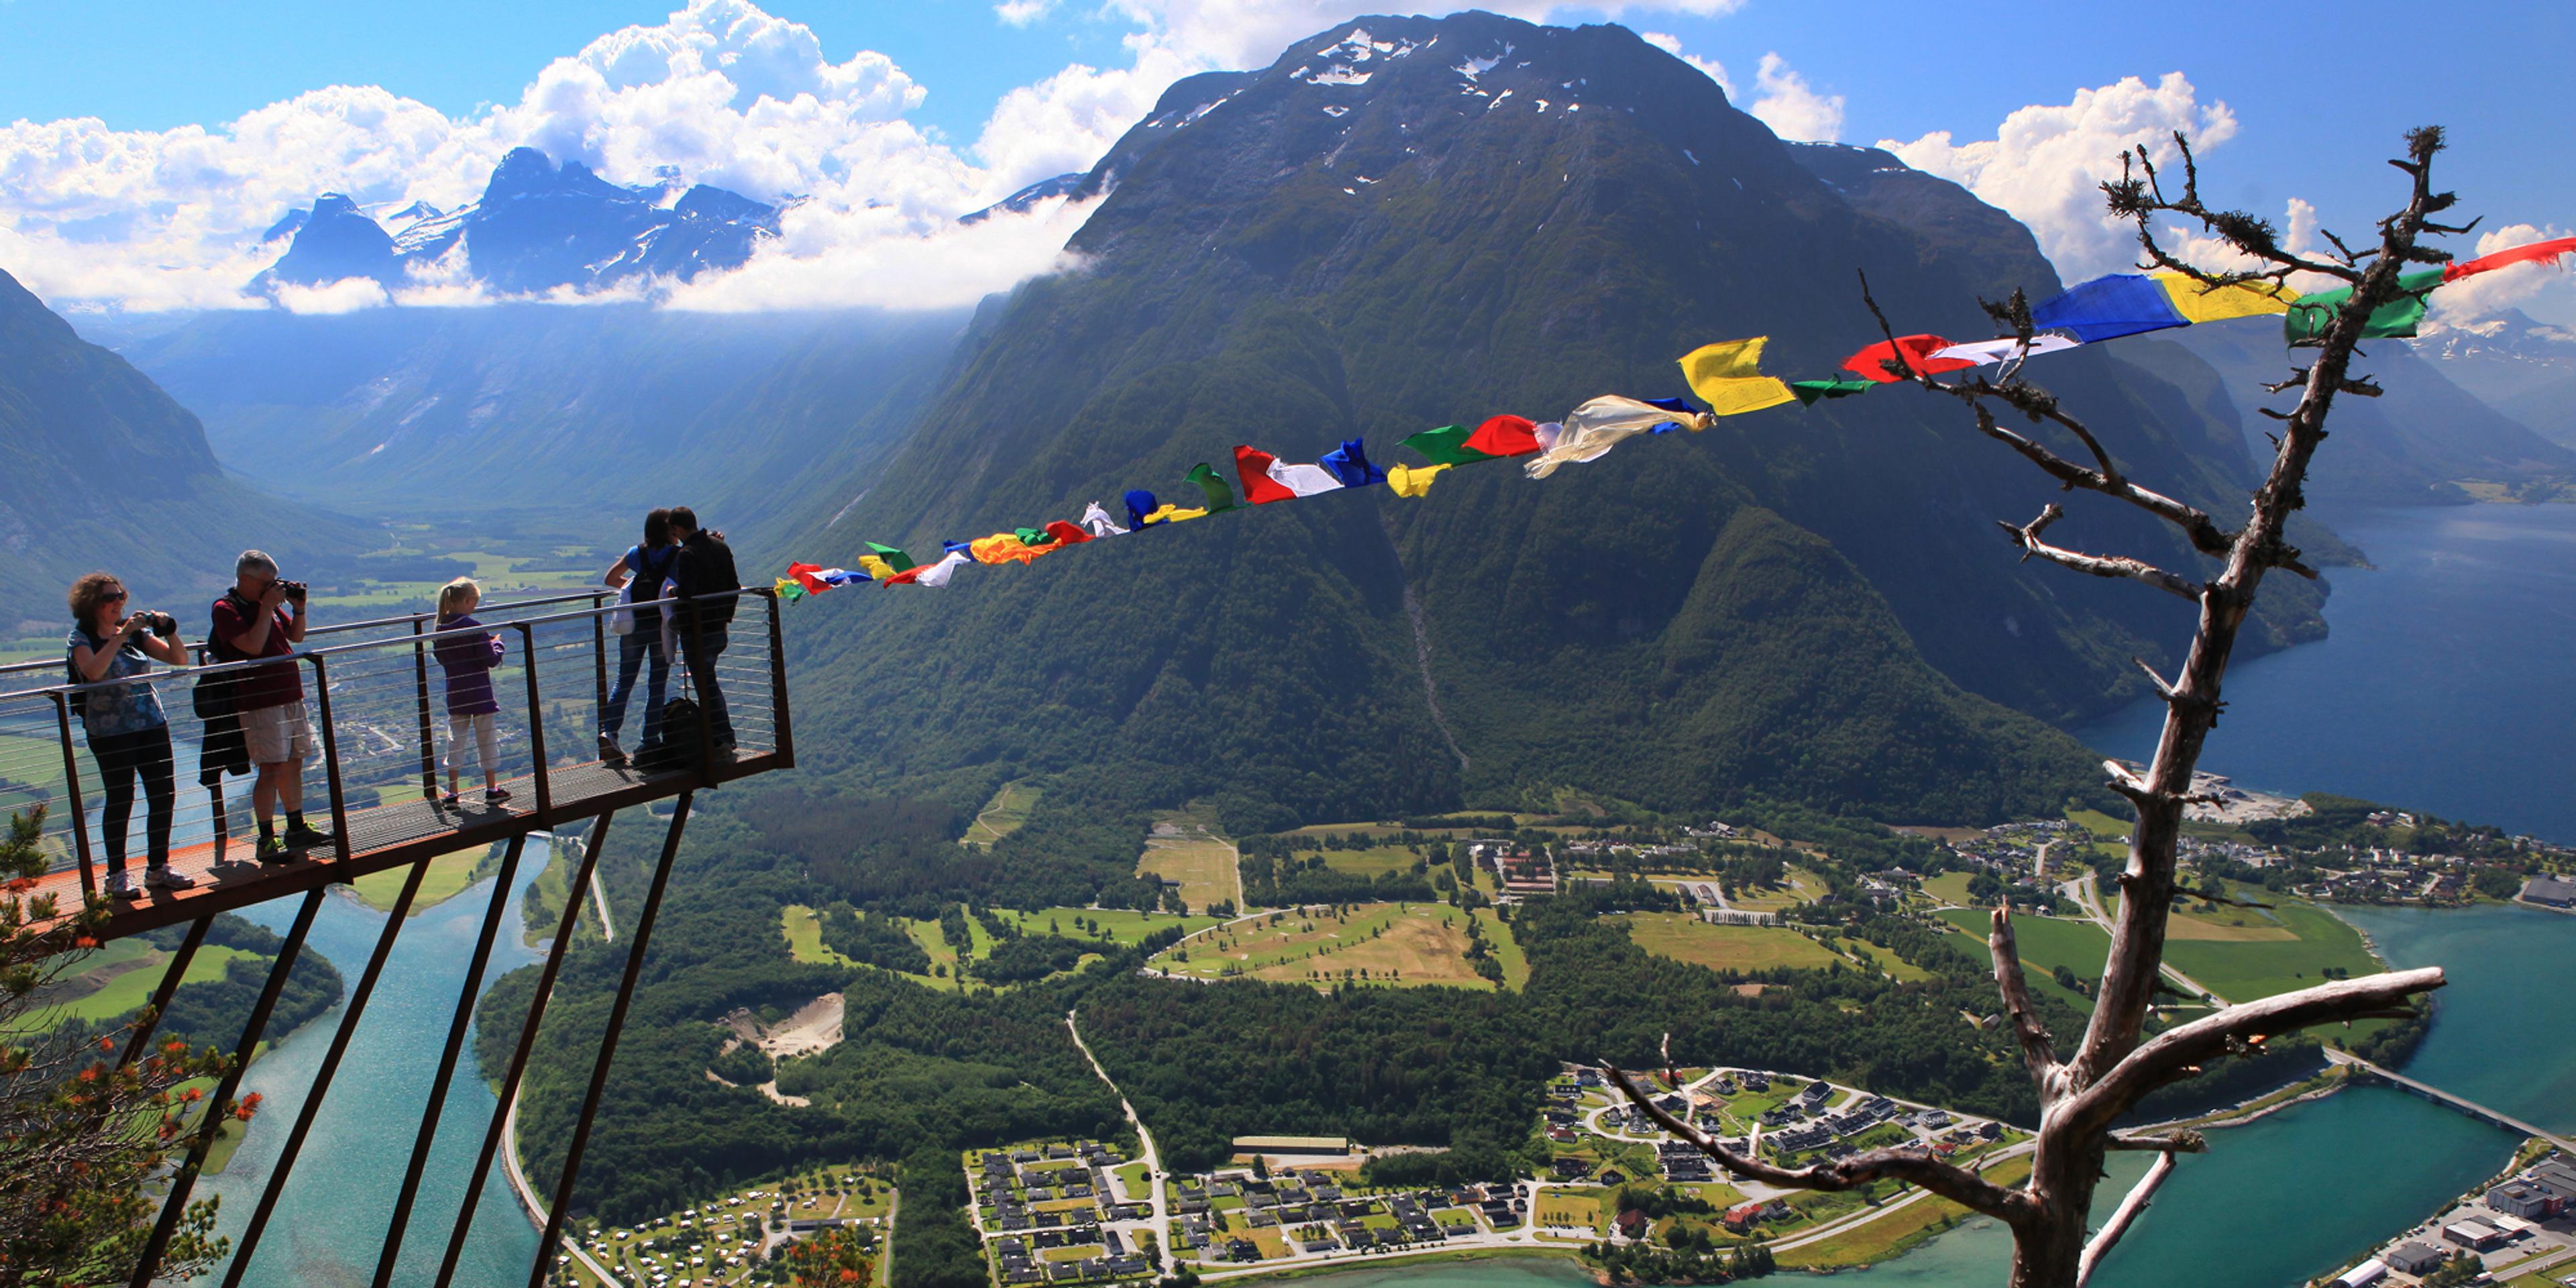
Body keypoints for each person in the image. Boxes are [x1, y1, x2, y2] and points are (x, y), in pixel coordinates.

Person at [66, 574, 195, 898]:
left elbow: (179, 658)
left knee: (163, 794)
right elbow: (93, 672)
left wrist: (169, 630)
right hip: (110, 732)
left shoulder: (135, 633)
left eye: (120, 596)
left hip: (151, 723)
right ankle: (116, 875)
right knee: (121, 798)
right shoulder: (81, 638)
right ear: (91, 604)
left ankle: (158, 868)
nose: (118, 602)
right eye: (109, 598)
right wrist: (120, 636)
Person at [208, 549, 327, 862]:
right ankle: (266, 839)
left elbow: (296, 637)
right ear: (245, 579)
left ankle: (296, 826)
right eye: (266, 582)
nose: (272, 587)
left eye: (275, 582)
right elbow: (252, 646)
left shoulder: (267, 606)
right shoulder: (226, 608)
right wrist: (266, 608)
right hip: (260, 700)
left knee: (294, 760)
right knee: (271, 767)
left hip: (289, 694)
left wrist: (299, 609)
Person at [596, 508, 678, 767]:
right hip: (661, 626)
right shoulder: (677, 555)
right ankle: (649, 739)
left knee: (625, 680)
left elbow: (610, 578)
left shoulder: (636, 553)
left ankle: (609, 732)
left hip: (633, 624)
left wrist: (632, 588)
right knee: (657, 684)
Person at [666, 506, 739, 752]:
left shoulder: (687, 554)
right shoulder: (720, 547)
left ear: (678, 528)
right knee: (709, 683)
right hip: (719, 627)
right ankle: (721, 737)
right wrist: (726, 617)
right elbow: (734, 585)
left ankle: (723, 738)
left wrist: (673, 592)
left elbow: (687, 592)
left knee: (706, 687)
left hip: (698, 631)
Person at [431, 577, 509, 806]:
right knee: (487, 739)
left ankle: (453, 792)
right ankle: (492, 789)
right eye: (475, 603)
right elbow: (490, 660)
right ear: (467, 600)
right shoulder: (475, 628)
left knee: (455, 740)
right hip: (480, 693)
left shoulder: (440, 629)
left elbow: (442, 658)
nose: (475, 608)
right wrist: (497, 645)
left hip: (456, 693)